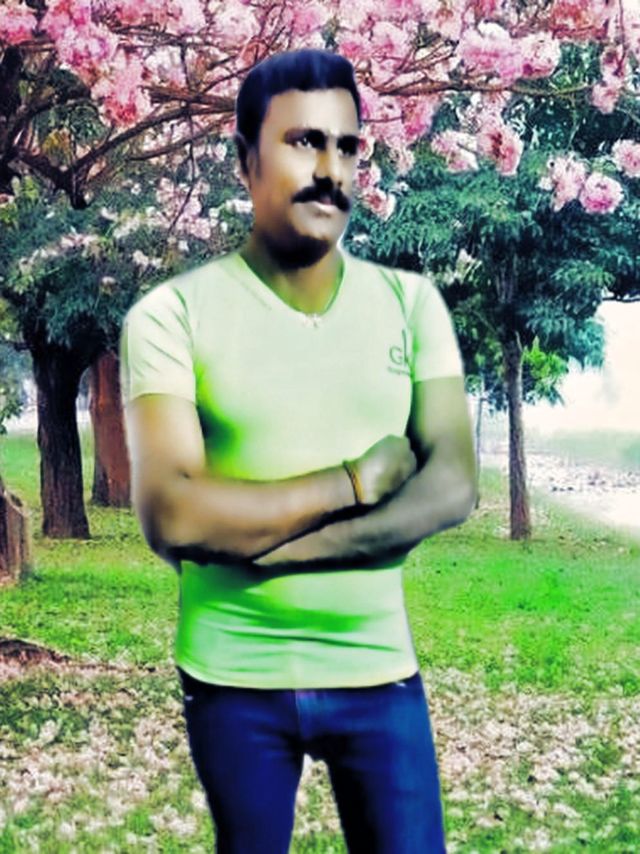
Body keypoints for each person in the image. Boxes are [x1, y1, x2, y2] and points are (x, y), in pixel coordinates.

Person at [120, 48, 476, 854]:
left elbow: (451, 483)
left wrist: (271, 548)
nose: (329, 170)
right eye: (304, 142)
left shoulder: (411, 304)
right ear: (245, 160)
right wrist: (354, 480)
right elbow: (176, 513)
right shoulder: (171, 316)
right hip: (233, 678)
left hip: (379, 675)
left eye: (346, 147)